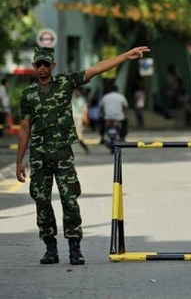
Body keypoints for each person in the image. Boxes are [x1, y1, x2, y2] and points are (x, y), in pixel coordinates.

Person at [16, 45, 150, 266]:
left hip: (62, 154)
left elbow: (96, 69)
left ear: (53, 66)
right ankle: (50, 248)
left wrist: (125, 56)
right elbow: (24, 128)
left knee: (69, 199)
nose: (42, 68)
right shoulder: (28, 94)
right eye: (38, 64)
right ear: (33, 66)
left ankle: (74, 248)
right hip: (39, 156)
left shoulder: (65, 83)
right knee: (42, 201)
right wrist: (19, 161)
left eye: (46, 64)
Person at [71, 87, 89, 154]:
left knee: (79, 135)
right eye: (75, 91)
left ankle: (85, 147)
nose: (76, 93)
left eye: (77, 91)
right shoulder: (71, 98)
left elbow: (85, 109)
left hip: (79, 117)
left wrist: (86, 120)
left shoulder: (82, 99)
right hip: (72, 117)